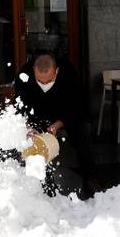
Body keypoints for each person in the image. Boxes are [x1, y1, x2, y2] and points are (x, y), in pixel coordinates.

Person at [13, 53, 90, 198]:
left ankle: (89, 180)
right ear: (33, 71)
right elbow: (20, 106)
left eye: (48, 80)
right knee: (31, 144)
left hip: (64, 110)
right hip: (36, 112)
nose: (44, 84)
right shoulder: (24, 75)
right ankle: (40, 186)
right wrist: (29, 127)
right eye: (39, 81)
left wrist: (58, 124)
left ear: (57, 71)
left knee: (82, 137)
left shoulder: (69, 74)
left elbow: (76, 106)